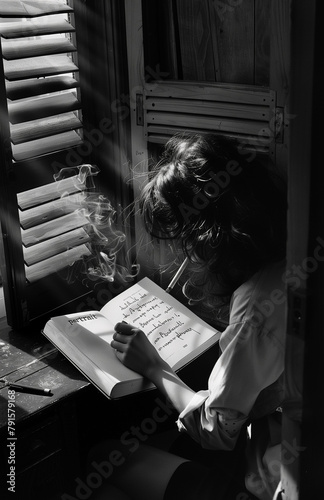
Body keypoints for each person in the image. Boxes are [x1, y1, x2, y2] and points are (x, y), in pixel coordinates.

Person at [87, 133, 287, 500]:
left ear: (208, 237)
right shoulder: (292, 255)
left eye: (185, 244)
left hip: (274, 483)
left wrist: (155, 368)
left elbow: (217, 431)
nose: (186, 258)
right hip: (282, 442)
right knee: (163, 442)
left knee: (103, 458)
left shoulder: (257, 305)